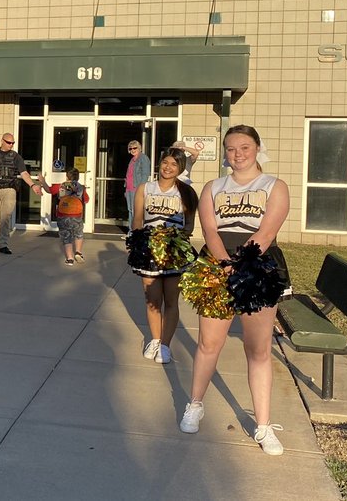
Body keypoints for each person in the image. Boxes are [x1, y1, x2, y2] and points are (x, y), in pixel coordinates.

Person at [179, 125, 291, 456]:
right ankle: (195, 404)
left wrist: (241, 266)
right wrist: (225, 264)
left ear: (257, 148)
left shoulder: (274, 186)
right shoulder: (213, 187)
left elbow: (266, 232)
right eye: (231, 148)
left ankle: (263, 425)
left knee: (258, 349)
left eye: (244, 147)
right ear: (225, 153)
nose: (237, 154)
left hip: (259, 267)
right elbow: (210, 230)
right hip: (217, 265)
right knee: (208, 343)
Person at [131, 148, 199, 364]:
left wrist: (174, 242)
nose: (168, 167)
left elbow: (189, 226)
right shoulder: (145, 188)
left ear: (180, 168)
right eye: (165, 162)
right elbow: (137, 219)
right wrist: (137, 244)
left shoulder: (186, 192)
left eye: (174, 164)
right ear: (159, 163)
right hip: (149, 250)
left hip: (174, 251)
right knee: (152, 300)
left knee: (171, 300)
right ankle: (155, 339)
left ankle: (165, 345)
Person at [0, 133, 40, 255]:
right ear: (2, 141)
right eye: (9, 142)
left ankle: (3, 245)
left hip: (9, 189)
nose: (11, 145)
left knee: (5, 219)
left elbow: (24, 173)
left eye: (13, 143)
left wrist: (33, 185)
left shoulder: (16, 157)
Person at [36, 167, 89, 264]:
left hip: (63, 215)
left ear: (66, 176)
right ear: (78, 177)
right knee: (78, 234)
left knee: (66, 236)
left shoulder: (60, 186)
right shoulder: (81, 187)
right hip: (77, 215)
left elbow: (49, 190)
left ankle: (70, 259)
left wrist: (42, 181)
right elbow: (86, 200)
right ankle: (78, 252)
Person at [124, 140, 151, 230]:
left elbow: (145, 174)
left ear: (139, 148)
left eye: (134, 148)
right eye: (130, 148)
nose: (132, 150)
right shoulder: (132, 160)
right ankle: (131, 231)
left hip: (136, 188)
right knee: (130, 210)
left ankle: (135, 231)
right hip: (129, 188)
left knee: (136, 211)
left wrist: (140, 188)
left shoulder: (143, 158)